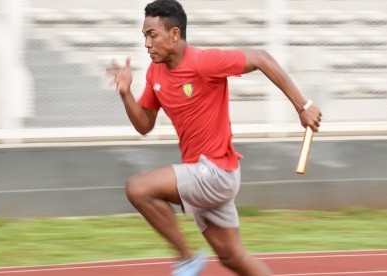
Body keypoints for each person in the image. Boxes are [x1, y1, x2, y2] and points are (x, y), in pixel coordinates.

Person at [108, 0, 322, 275]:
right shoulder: (155, 73)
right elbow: (144, 125)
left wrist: (302, 106)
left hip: (215, 172)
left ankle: (187, 259)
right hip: (201, 176)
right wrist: (126, 93)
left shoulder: (204, 62)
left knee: (138, 188)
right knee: (233, 259)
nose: (147, 44)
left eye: (153, 35)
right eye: (144, 37)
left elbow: (261, 58)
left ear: (174, 34)